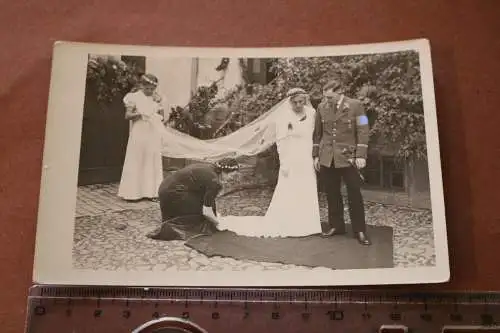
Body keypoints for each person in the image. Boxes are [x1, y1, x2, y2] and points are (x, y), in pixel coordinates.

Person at [215, 88, 323, 238]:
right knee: (290, 189)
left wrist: (315, 156)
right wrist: (284, 163)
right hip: (291, 157)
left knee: (307, 187)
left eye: (301, 101)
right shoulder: (284, 116)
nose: (299, 105)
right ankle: (289, 223)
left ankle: (307, 224)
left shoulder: (311, 113)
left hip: (306, 157)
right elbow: (281, 141)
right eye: (295, 102)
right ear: (290, 102)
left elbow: (316, 135)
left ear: (305, 100)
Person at [313, 79, 372, 245]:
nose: (327, 100)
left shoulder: (356, 105)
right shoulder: (321, 107)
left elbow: (363, 129)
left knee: (354, 193)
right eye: (325, 97)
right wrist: (316, 155)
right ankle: (336, 226)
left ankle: (359, 230)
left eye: (330, 97)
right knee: (332, 193)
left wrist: (361, 154)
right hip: (328, 157)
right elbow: (318, 133)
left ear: (340, 92)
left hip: (349, 157)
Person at [148, 158, 240, 241]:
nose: (231, 179)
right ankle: (175, 224)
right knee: (203, 220)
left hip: (165, 187)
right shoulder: (214, 182)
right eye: (231, 176)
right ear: (224, 171)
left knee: (206, 210)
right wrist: (217, 222)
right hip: (172, 194)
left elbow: (208, 198)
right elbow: (206, 211)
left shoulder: (210, 168)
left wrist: (213, 214)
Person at [118, 73, 166, 201]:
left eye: (152, 89)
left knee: (151, 159)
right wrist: (139, 114)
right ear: (141, 86)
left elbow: (162, 116)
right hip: (139, 131)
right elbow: (127, 116)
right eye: (147, 88)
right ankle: (133, 193)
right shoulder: (133, 97)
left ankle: (152, 192)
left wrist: (157, 114)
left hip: (153, 132)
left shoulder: (156, 98)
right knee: (137, 158)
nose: (150, 91)